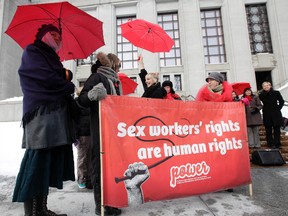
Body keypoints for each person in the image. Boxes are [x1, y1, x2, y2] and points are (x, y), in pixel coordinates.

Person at [12, 24, 77, 216]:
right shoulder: (33, 51)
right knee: (38, 162)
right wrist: (66, 81)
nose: (57, 38)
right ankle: (32, 212)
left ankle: (41, 209)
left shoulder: (51, 57)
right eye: (53, 34)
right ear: (43, 35)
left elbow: (55, 76)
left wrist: (64, 75)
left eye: (59, 36)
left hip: (53, 115)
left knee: (47, 163)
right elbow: (45, 78)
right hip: (41, 115)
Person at [78, 52, 122, 216]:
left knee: (111, 168)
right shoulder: (97, 77)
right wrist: (91, 95)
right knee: (100, 168)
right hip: (99, 130)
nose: (119, 68)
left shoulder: (114, 81)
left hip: (112, 130)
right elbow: (82, 99)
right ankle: (101, 206)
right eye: (118, 65)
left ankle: (110, 203)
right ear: (112, 64)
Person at [195, 72, 234, 192]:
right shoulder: (203, 93)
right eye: (208, 80)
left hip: (223, 129)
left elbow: (230, 110)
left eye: (211, 79)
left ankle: (228, 182)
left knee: (225, 156)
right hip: (208, 129)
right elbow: (198, 110)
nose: (209, 82)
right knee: (211, 157)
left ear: (218, 81)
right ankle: (212, 181)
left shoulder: (227, 93)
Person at [75, 87, 93, 189]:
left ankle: (89, 179)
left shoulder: (90, 103)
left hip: (90, 132)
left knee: (90, 157)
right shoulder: (77, 103)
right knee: (82, 157)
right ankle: (82, 179)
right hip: (82, 134)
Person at [259, 81, 284, 149]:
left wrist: (278, 108)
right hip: (267, 113)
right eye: (264, 86)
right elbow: (258, 103)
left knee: (277, 129)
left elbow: (281, 101)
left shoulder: (276, 93)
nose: (266, 87)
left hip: (276, 113)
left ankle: (277, 144)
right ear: (263, 87)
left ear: (270, 86)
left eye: (267, 85)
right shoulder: (261, 95)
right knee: (268, 130)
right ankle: (270, 144)